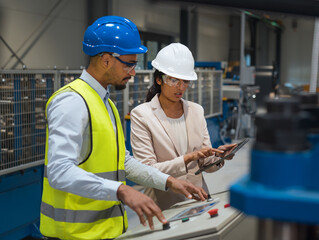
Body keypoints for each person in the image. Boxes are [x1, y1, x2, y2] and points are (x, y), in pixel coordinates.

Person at [39, 16, 208, 240]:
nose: (133, 72)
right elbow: (59, 171)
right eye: (129, 64)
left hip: (104, 231)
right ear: (106, 60)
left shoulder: (105, 102)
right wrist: (121, 190)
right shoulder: (72, 101)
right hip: (73, 234)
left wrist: (168, 182)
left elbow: (123, 161)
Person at [130, 43, 236, 210]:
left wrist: (220, 157)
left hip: (198, 199)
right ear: (159, 79)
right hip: (163, 204)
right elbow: (146, 171)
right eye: (173, 80)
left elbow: (206, 165)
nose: (180, 87)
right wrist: (188, 158)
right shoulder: (142, 115)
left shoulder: (196, 111)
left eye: (185, 81)